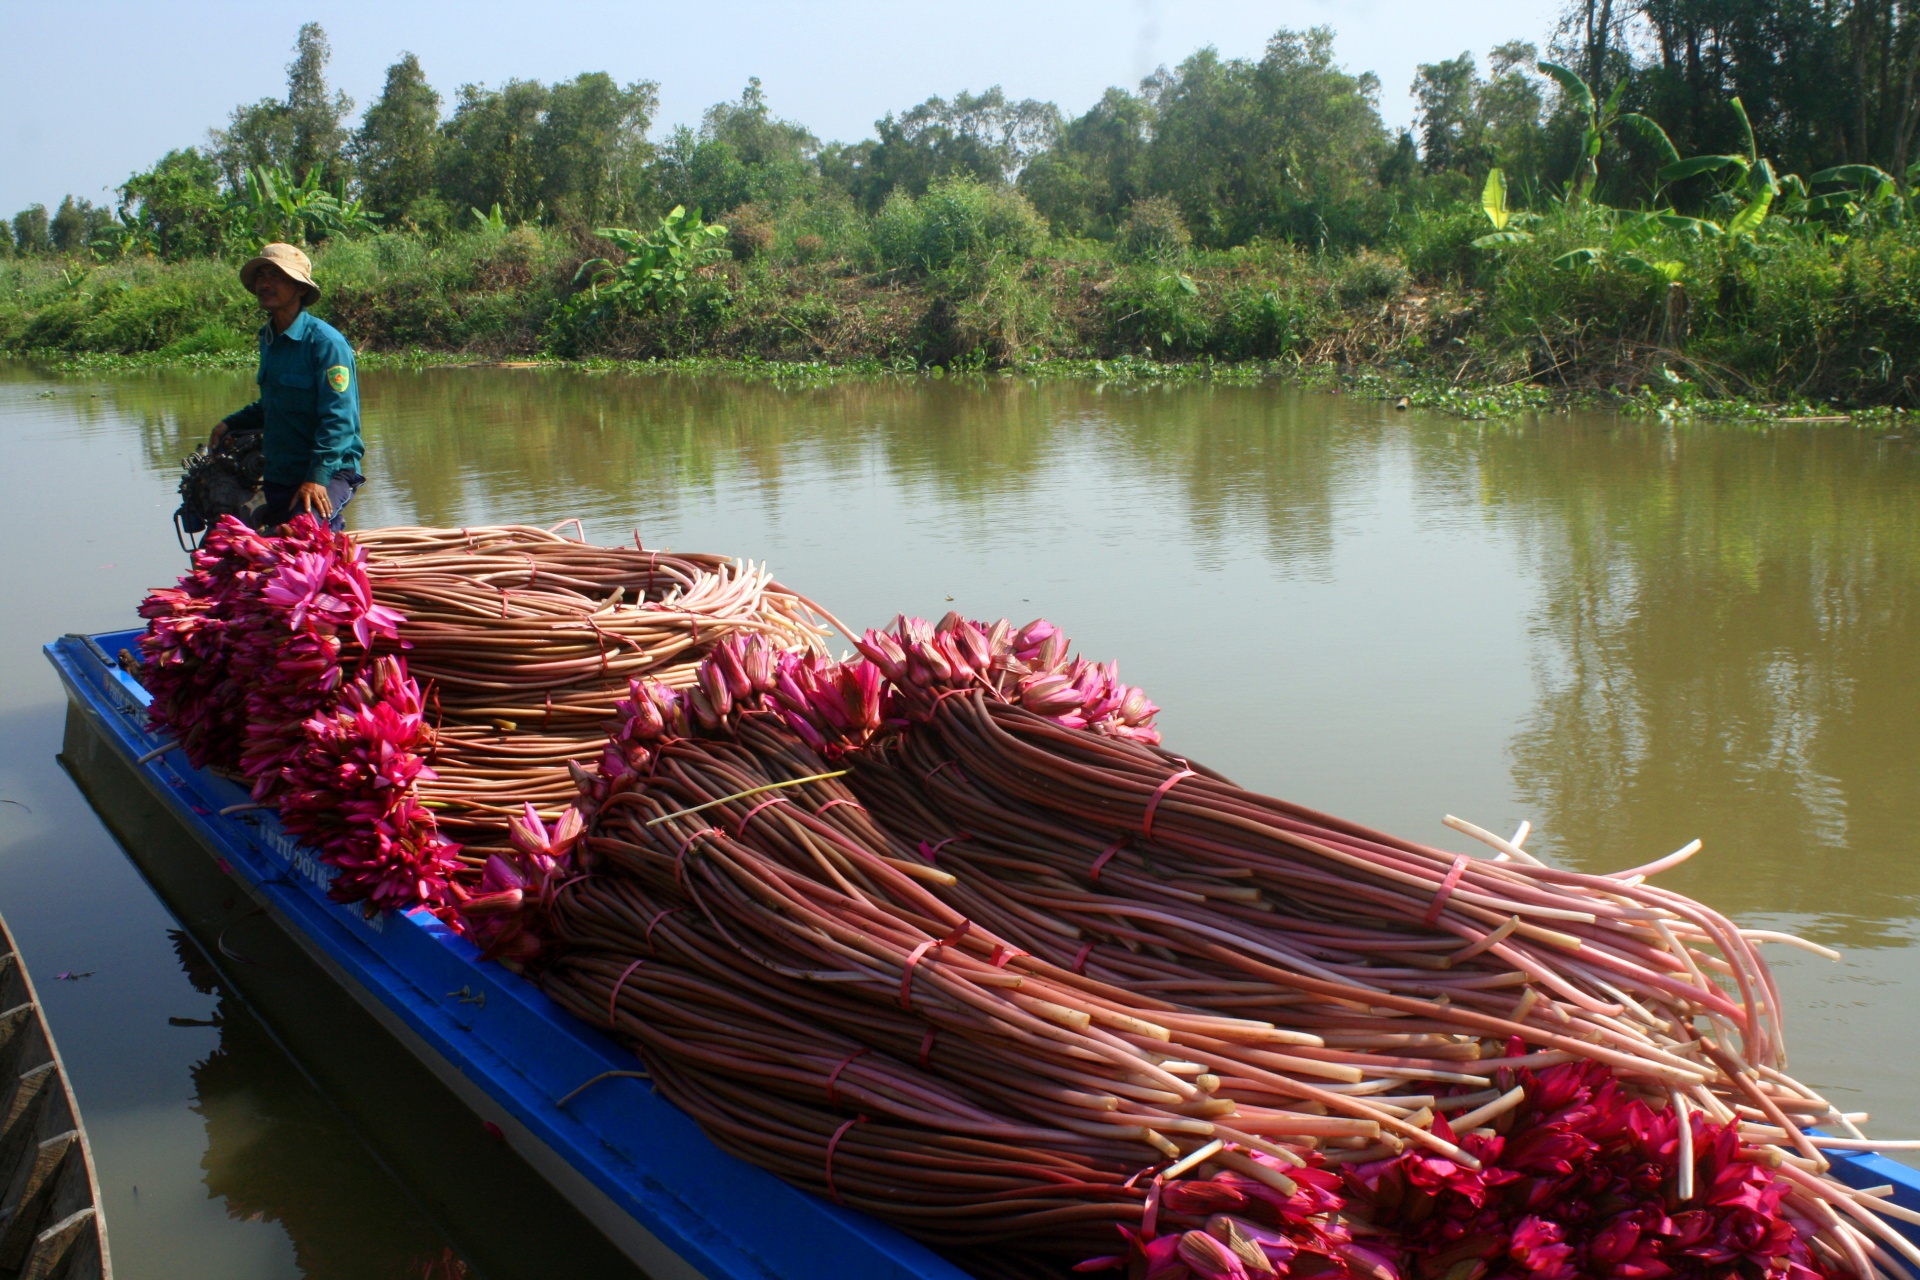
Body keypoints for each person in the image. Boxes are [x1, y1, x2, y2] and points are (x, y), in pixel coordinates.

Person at [209, 242, 364, 532]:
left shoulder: (325, 343)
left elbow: (339, 421)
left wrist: (317, 478)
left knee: (303, 537)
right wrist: (228, 424)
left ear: (300, 289)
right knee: (241, 541)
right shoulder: (269, 338)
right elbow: (273, 403)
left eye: (277, 277)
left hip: (329, 472)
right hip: (281, 473)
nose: (265, 284)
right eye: (261, 276)